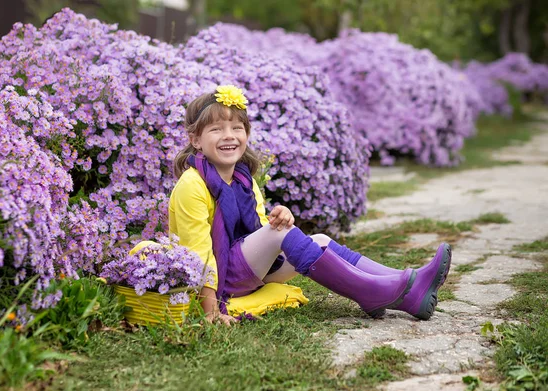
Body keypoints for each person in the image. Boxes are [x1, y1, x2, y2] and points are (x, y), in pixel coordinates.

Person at [168, 85, 451, 325]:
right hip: (217, 283)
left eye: (237, 128)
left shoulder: (242, 179)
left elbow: (256, 233)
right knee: (282, 235)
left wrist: (279, 221)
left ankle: (409, 285)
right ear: (195, 140)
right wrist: (211, 312)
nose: (229, 136)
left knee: (319, 239)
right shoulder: (193, 185)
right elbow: (199, 255)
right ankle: (371, 292)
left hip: (243, 269)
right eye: (216, 129)